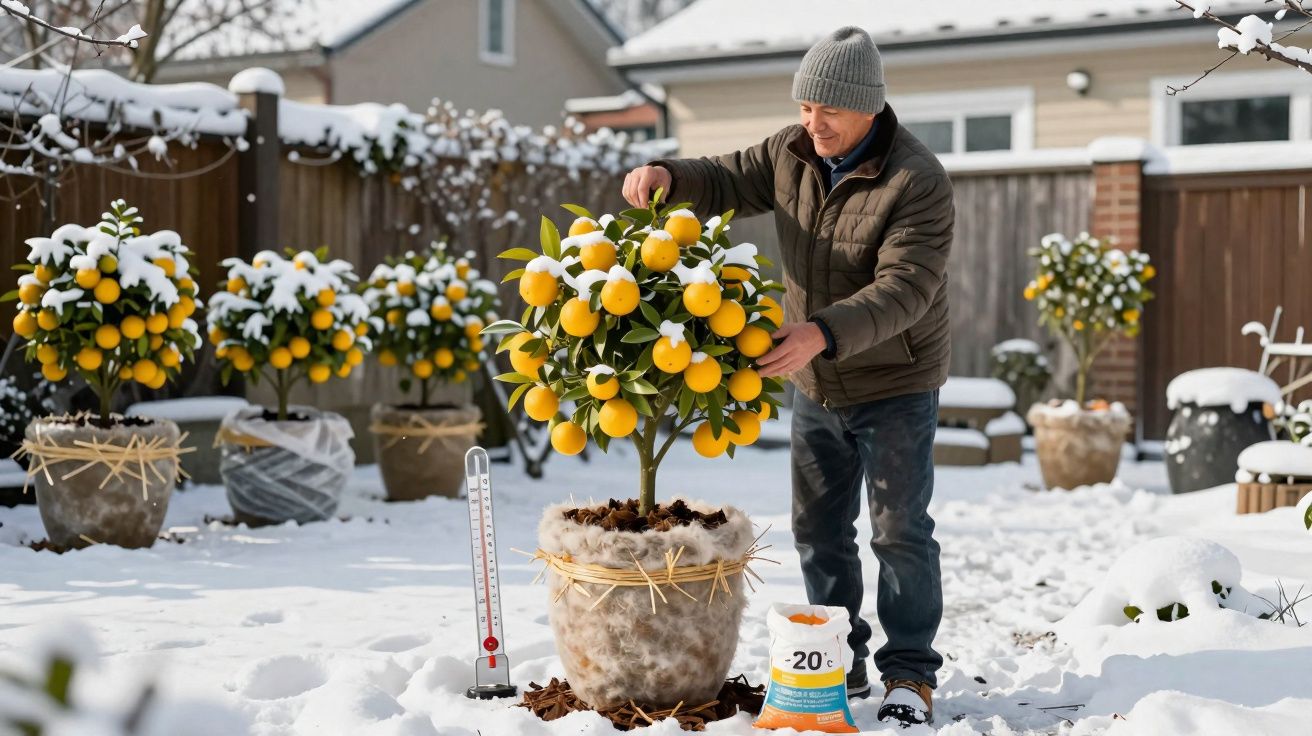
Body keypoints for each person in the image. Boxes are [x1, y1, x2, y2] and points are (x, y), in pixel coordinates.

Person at [621, 25, 953, 728]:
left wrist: (821, 332)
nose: (813, 122)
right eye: (805, 107)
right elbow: (723, 177)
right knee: (818, 530)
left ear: (866, 106)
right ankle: (841, 657)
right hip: (815, 380)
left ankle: (910, 676)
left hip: (895, 382)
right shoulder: (790, 152)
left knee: (899, 532)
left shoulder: (916, 180)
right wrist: (669, 176)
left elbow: (908, 288)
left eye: (826, 109)